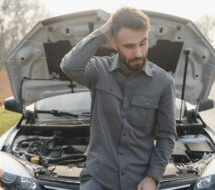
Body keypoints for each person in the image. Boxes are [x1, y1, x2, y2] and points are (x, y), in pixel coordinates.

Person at [61, 7, 176, 190]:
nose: (138, 53)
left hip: (139, 182)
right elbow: (70, 65)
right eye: (129, 46)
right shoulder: (99, 70)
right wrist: (103, 31)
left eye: (143, 43)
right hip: (98, 179)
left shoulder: (163, 82)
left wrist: (153, 177)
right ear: (114, 43)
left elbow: (167, 136)